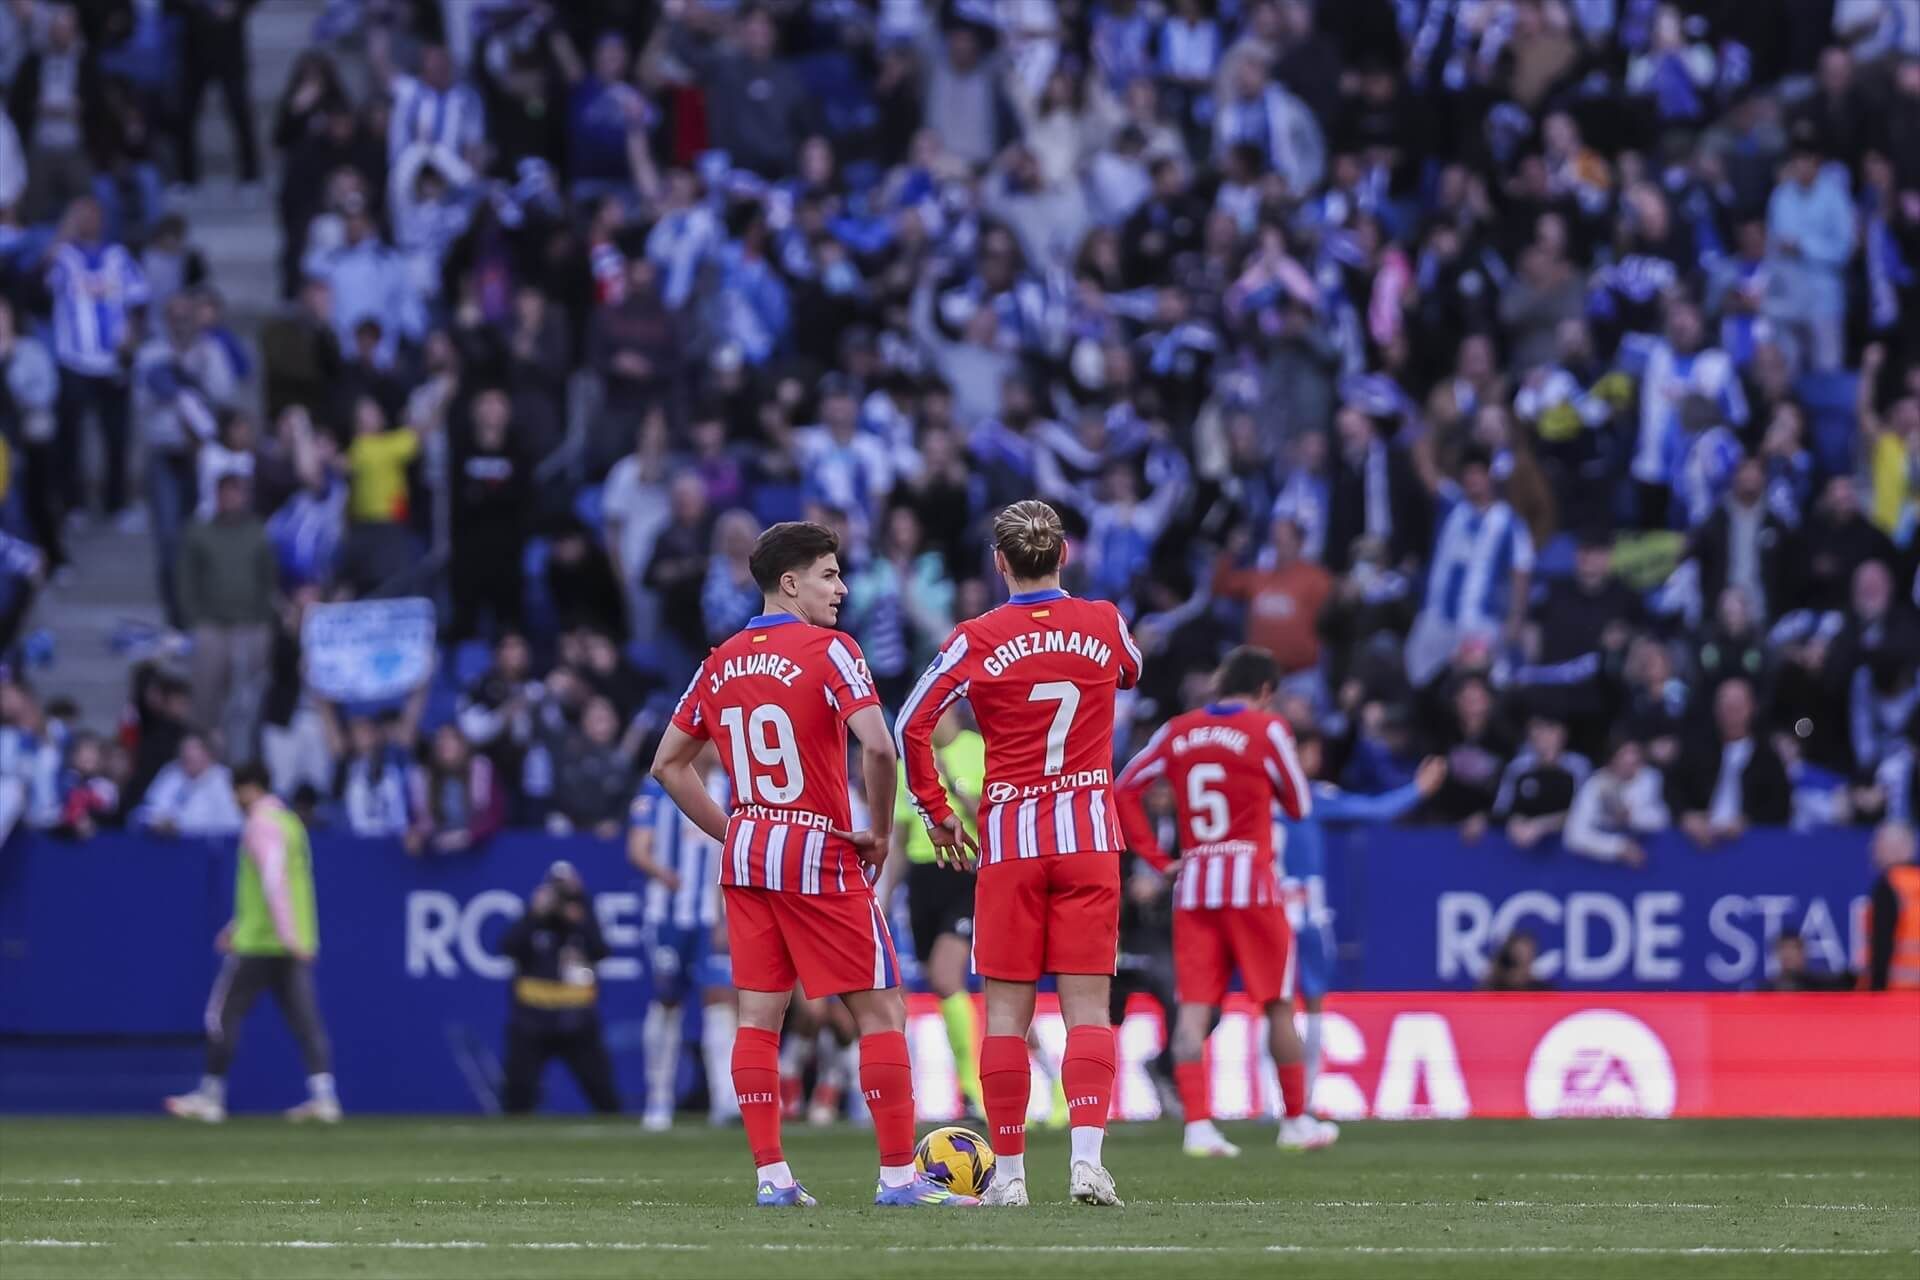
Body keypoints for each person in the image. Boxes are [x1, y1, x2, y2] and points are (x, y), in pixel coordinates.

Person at [650, 520, 971, 1208]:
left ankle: (773, 1179)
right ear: (790, 582)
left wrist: (732, 828)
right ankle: (896, 1180)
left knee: (757, 1021)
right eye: (829, 574)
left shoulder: (720, 659)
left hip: (749, 854)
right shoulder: (832, 650)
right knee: (883, 1010)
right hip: (817, 848)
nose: (842, 588)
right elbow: (879, 749)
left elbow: (667, 765)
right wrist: (880, 833)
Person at [896, 499, 1143, 1207]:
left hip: (1008, 841)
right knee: (1087, 1008)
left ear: (999, 563)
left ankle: (1007, 1178)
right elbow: (1131, 670)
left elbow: (913, 721)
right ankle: (1088, 1163)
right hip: (1089, 836)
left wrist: (938, 814)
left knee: (1007, 1015)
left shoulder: (978, 635)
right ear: (1063, 556)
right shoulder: (1102, 621)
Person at [1112, 646, 1336, 1157]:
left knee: (1192, 1012)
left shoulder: (1177, 730)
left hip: (1194, 884)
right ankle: (1297, 1122)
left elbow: (1124, 788)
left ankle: (1198, 1127)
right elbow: (1299, 804)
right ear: (1264, 691)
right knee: (1277, 1005)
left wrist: (1154, 857)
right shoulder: (1268, 728)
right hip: (1252, 885)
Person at [164, 762, 338, 1124]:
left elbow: (273, 882)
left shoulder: (261, 824)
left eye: (236, 790)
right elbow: (281, 886)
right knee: (306, 1021)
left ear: (249, 788)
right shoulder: (291, 823)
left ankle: (211, 1096)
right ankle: (324, 1097)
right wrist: (252, 927)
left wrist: (280, 934)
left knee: (221, 1014)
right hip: (289, 940)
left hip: (262, 943)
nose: (234, 798)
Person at [1280, 733, 1446, 1103]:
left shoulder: (1257, 795)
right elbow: (1374, 811)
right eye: (1306, 748)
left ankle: (1282, 1103)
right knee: (1305, 1003)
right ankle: (1299, 1102)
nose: (1314, 756)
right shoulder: (1311, 796)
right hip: (1304, 910)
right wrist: (1417, 790)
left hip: (1268, 908)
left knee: (1277, 1006)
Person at [875, 705, 986, 1117]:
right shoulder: (910, 763)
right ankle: (973, 1085)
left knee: (945, 977)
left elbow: (987, 821)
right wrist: (886, 894)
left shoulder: (980, 750)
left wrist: (952, 785)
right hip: (924, 879)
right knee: (939, 984)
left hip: (965, 872)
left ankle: (972, 1089)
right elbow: (900, 837)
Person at [628, 759, 737, 1131]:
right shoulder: (657, 785)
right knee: (667, 1001)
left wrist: (726, 911)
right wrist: (663, 874)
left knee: (721, 999)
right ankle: (658, 1099)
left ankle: (724, 1098)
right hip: (668, 916)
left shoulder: (728, 786)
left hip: (711, 918)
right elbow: (638, 847)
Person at [496, 861, 620, 1115]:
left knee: (604, 1095)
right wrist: (534, 914)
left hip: (577, 1019)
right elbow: (507, 947)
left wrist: (580, 917)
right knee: (517, 1096)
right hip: (532, 1019)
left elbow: (600, 950)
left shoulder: (583, 916)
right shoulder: (534, 920)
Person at [1862, 822, 1920, 991]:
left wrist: (1875, 992)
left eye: (1879, 844)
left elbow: (1882, 944)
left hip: (1896, 995)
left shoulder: (1890, 886)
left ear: (1901, 847)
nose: (1872, 850)